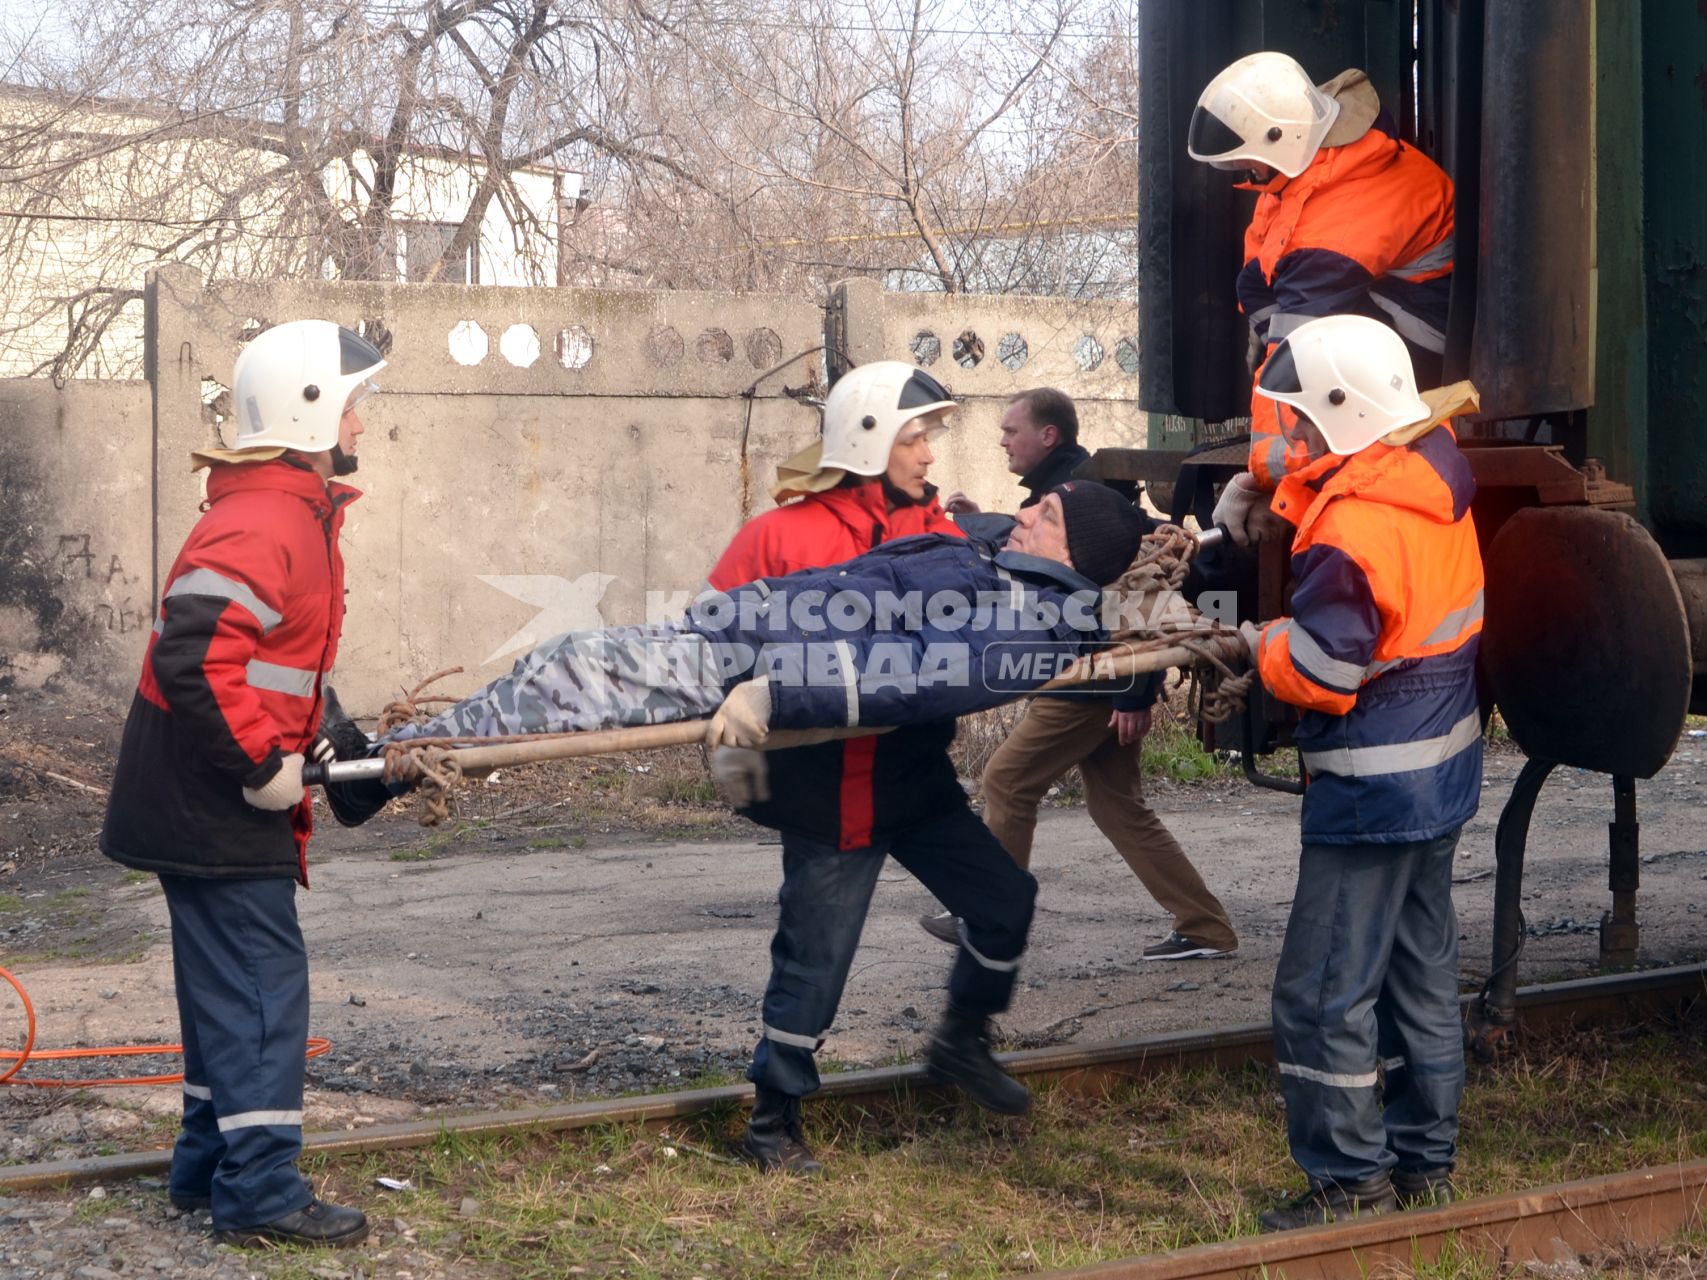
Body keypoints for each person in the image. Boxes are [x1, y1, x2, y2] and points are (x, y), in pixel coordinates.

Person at [704, 360, 1038, 1175]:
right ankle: (773, 1121)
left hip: (914, 780)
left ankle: (961, 1040)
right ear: (867, 438)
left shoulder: (937, 534)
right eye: (915, 436)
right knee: (814, 962)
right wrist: (731, 723)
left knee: (1004, 902)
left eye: (927, 436)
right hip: (825, 794)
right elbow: (708, 646)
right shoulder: (776, 538)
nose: (928, 454)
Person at [100, 321, 387, 1248]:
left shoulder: (284, 512)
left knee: (227, 991)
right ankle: (260, 1193)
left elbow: (273, 659)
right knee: (264, 990)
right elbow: (194, 654)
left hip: (198, 790)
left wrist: (333, 739)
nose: (360, 423)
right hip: (211, 796)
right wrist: (264, 767)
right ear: (310, 411)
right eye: (351, 405)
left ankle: (203, 1170)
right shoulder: (267, 521)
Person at [1234, 315, 1483, 1231]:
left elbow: (1326, 672)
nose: (1287, 439)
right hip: (1440, 772)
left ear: (1340, 414)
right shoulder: (1429, 467)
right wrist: (1260, 490)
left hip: (1372, 788)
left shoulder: (1349, 530)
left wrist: (1258, 642)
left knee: (1321, 991)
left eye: (1297, 422)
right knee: (1420, 976)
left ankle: (1346, 1180)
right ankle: (1423, 1164)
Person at [927, 390, 1237, 962]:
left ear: (1048, 435)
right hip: (1095, 670)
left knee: (1006, 780)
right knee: (1117, 806)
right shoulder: (1062, 486)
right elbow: (1041, 563)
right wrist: (977, 524)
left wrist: (1135, 690)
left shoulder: (1086, 491)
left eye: (1011, 430)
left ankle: (993, 917)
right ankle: (1206, 928)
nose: (1002, 440)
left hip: (1094, 676)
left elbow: (1135, 590)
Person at [1187, 51, 1455, 545]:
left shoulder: (1350, 208)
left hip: (1420, 349)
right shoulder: (1309, 172)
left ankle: (1322, 442)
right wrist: (1264, 328)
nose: (1240, 171)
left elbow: (1301, 342)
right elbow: (1262, 271)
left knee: (1305, 346)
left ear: (1279, 139)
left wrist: (1268, 475)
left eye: (1245, 160)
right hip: (1387, 314)